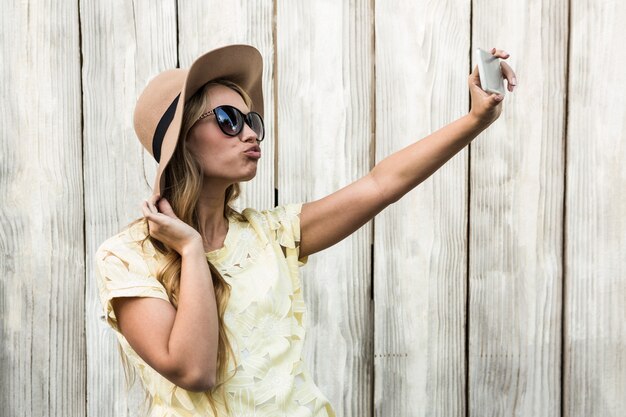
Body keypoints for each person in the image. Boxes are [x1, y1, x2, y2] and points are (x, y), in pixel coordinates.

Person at [94, 44, 516, 417]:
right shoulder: (127, 256)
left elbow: (380, 184)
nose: (249, 133)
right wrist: (189, 249)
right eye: (227, 119)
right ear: (182, 140)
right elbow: (195, 370)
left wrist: (477, 118)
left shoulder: (271, 234)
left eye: (251, 120)